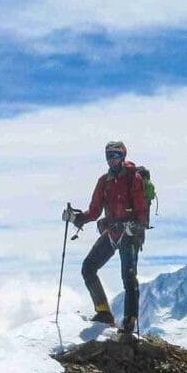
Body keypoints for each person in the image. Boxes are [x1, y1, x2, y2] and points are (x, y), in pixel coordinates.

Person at [64, 140, 149, 332]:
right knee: (88, 267)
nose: (112, 159)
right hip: (112, 232)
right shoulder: (104, 181)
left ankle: (129, 323)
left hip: (129, 234)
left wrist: (137, 227)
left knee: (128, 278)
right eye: (108, 155)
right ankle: (104, 313)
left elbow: (142, 210)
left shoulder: (133, 179)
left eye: (115, 155)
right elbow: (94, 211)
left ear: (123, 156)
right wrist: (76, 218)